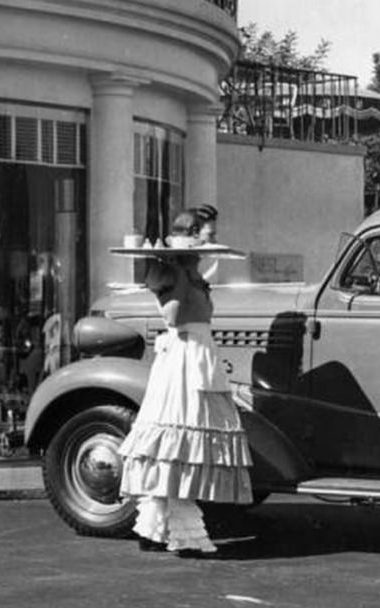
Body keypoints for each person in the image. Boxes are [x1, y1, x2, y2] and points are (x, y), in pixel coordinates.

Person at [113, 215, 253, 557]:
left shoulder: (192, 275)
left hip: (199, 355)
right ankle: (183, 534)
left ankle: (154, 528)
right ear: (190, 239)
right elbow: (174, 317)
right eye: (207, 234)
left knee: (187, 441)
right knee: (181, 440)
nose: (211, 240)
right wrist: (177, 276)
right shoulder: (176, 275)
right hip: (185, 359)